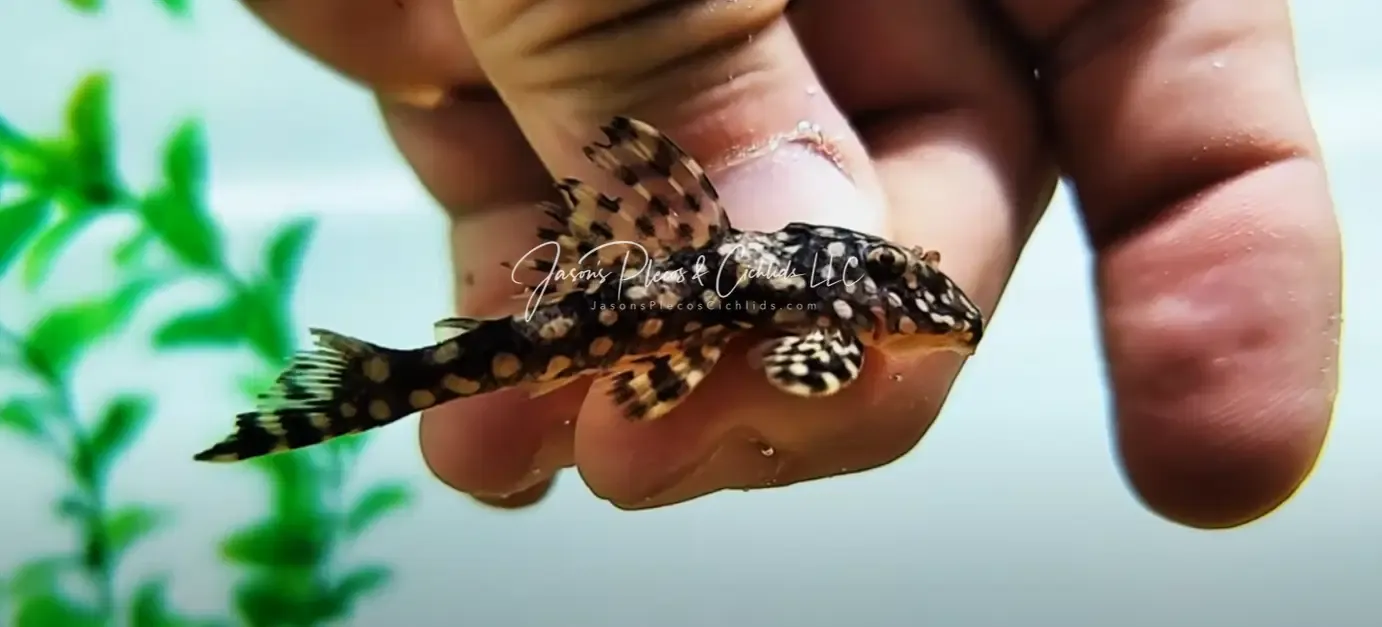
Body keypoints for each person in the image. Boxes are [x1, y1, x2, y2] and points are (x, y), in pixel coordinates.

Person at [240, 0, 1340, 529]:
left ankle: (373, 384)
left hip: (615, 306)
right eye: (910, 289)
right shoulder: (820, 297)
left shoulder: (848, 301)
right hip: (648, 301)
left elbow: (798, 364)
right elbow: (802, 367)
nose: (927, 303)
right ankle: (371, 385)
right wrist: (672, 58)